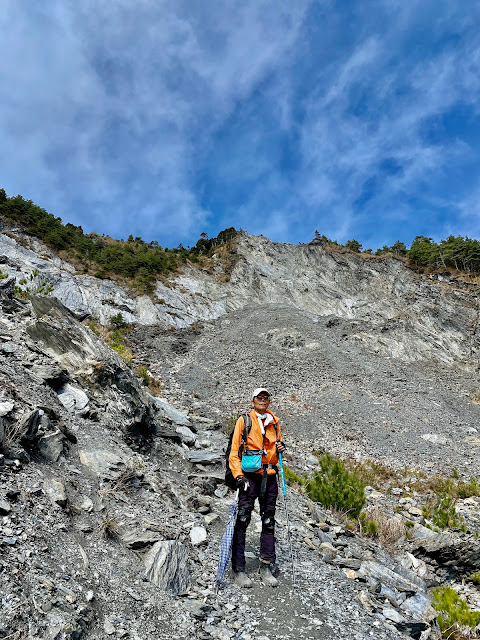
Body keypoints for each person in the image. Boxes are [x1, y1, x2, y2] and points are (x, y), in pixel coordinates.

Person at [229, 388, 286, 588]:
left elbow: (275, 447)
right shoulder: (244, 421)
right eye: (259, 397)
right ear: (252, 400)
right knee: (243, 518)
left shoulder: (275, 422)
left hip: (269, 475)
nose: (263, 400)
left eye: (266, 397)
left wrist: (280, 448)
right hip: (249, 476)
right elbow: (234, 452)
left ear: (269, 400)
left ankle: (266, 565)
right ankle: (239, 568)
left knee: (269, 520)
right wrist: (238, 476)